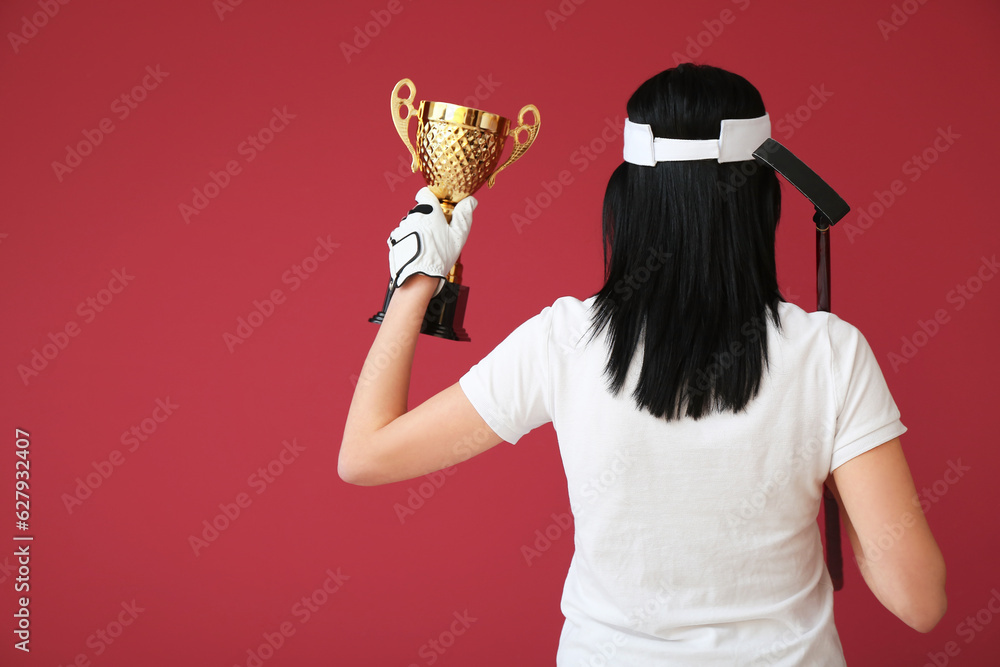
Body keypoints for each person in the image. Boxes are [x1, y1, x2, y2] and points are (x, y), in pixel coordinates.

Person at [339, 63, 946, 665]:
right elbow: (919, 603)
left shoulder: (564, 341)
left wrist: (415, 282)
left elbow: (365, 457)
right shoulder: (830, 354)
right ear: (763, 198)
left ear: (627, 200)